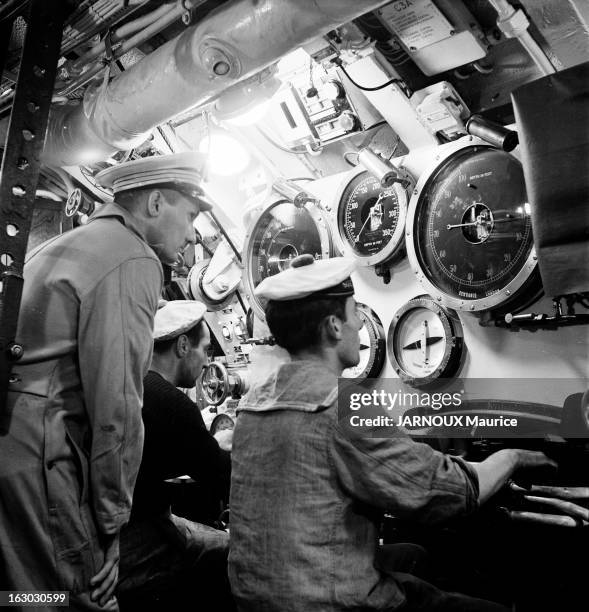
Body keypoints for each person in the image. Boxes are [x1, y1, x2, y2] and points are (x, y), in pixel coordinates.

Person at [228, 254, 557, 612]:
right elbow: (448, 492)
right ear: (334, 327)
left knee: (412, 556)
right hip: (324, 603)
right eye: (355, 312)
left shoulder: (251, 404)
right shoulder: (341, 403)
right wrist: (510, 457)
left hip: (256, 597)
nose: (359, 324)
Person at [0, 153, 210, 611]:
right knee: (80, 597)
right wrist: (112, 526)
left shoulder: (68, 243)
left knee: (26, 596)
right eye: (190, 215)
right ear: (156, 203)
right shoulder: (133, 257)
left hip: (17, 444)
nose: (193, 233)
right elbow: (117, 407)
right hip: (45, 455)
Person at [117, 300, 234, 610]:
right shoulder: (172, 404)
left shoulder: (138, 385)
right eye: (206, 350)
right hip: (138, 539)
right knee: (234, 551)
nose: (207, 362)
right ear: (183, 345)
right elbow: (222, 476)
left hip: (123, 528)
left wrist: (212, 444)